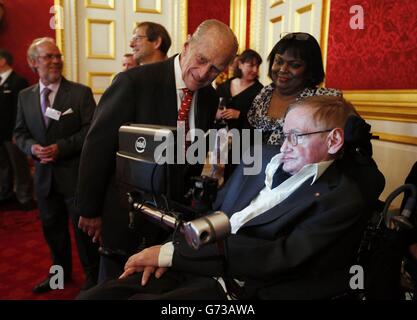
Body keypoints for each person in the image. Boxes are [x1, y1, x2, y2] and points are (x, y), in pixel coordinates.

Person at [77, 96, 385, 300]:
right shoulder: (265, 157)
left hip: (238, 288)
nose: (284, 146)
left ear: (333, 139)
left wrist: (171, 255)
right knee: (96, 296)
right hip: (199, 261)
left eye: (296, 136)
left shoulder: (342, 198)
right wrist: (178, 249)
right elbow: (220, 213)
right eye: (284, 134)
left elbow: (278, 257)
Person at [76, 19, 238, 283]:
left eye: (215, 69)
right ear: (186, 46)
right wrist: (89, 209)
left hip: (169, 219)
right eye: (201, 59)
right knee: (111, 286)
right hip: (124, 213)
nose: (202, 73)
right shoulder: (134, 82)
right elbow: (98, 146)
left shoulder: (208, 98)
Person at [14, 37, 99, 293]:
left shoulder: (80, 93)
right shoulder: (24, 96)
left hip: (74, 179)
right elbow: (19, 133)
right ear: (33, 63)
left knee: (84, 237)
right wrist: (31, 148)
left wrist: (61, 147)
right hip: (44, 180)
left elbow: (91, 132)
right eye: (48, 57)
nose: (55, 61)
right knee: (54, 235)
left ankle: (93, 282)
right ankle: (58, 277)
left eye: (57, 56)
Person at [247, 32, 341, 146]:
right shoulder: (262, 95)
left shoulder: (325, 101)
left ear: (310, 70)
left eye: (294, 65)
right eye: (279, 61)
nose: (282, 69)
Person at [214, 49, 264, 182]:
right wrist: (216, 114)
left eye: (257, 66)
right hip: (221, 140)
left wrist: (240, 115)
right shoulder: (224, 86)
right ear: (240, 64)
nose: (255, 70)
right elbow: (212, 108)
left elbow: (261, 121)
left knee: (233, 177)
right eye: (251, 65)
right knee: (216, 175)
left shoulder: (260, 91)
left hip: (245, 142)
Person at [0, 49, 35, 210]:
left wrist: (18, 133)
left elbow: (21, 111)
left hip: (13, 134)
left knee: (19, 167)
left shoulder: (18, 82)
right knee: (3, 166)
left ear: (3, 61)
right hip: (1, 134)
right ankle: (6, 194)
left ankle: (24, 197)